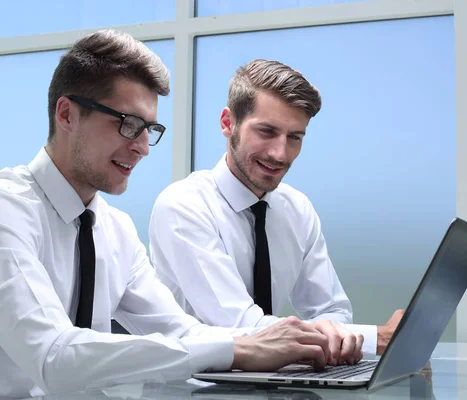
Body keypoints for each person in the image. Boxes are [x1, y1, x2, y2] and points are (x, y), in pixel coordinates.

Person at [0, 31, 363, 398]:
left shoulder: (113, 228)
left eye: (150, 129)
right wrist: (241, 348)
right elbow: (55, 358)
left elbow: (179, 331)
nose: (143, 147)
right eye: (128, 124)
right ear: (67, 113)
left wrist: (286, 344)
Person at [149, 59, 404, 359]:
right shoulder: (183, 206)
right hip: (194, 387)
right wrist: (378, 339)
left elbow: (332, 311)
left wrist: (340, 335)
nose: (280, 154)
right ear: (227, 123)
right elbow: (245, 328)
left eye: (294, 137)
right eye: (267, 131)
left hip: (279, 381)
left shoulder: (297, 209)